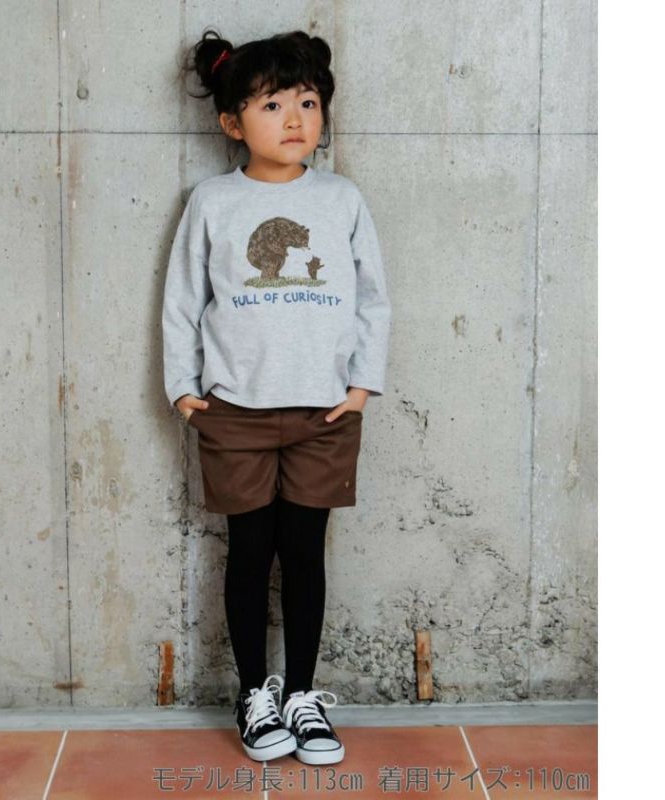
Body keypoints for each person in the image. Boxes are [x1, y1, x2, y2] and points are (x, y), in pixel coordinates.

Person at [162, 29, 392, 765]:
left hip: (324, 412)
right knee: (248, 553)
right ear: (232, 122)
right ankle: (253, 696)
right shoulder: (212, 201)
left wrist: (361, 386)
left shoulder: (341, 199)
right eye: (272, 104)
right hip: (235, 412)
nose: (295, 118)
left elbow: (372, 299)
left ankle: (301, 695)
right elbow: (182, 301)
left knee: (304, 554)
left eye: (308, 102)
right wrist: (183, 389)